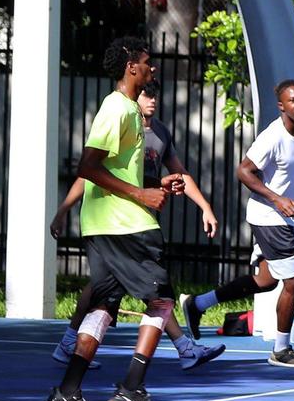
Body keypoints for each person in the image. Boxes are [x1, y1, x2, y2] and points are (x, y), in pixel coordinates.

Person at [43, 37, 183, 401]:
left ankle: (68, 393)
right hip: (124, 225)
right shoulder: (116, 108)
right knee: (162, 301)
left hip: (110, 222)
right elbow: (88, 166)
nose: (152, 69)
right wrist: (141, 194)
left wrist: (156, 183)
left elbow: (115, 170)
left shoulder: (131, 112)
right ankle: (132, 389)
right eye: (147, 63)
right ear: (130, 68)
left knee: (103, 307)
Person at [49, 80, 225, 371]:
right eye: (147, 93)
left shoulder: (160, 134)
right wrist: (63, 210)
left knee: (118, 288)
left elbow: (179, 173)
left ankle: (74, 358)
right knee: (147, 291)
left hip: (137, 220)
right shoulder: (121, 122)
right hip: (115, 219)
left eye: (156, 93)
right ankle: (156, 363)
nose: (152, 99)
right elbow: (88, 172)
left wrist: (204, 206)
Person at [180, 79, 294, 368]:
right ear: (281, 106)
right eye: (293, 101)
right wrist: (276, 199)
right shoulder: (272, 136)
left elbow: (289, 166)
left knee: (267, 281)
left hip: (277, 216)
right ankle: (281, 350)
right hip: (270, 218)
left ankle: (197, 304)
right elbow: (244, 171)